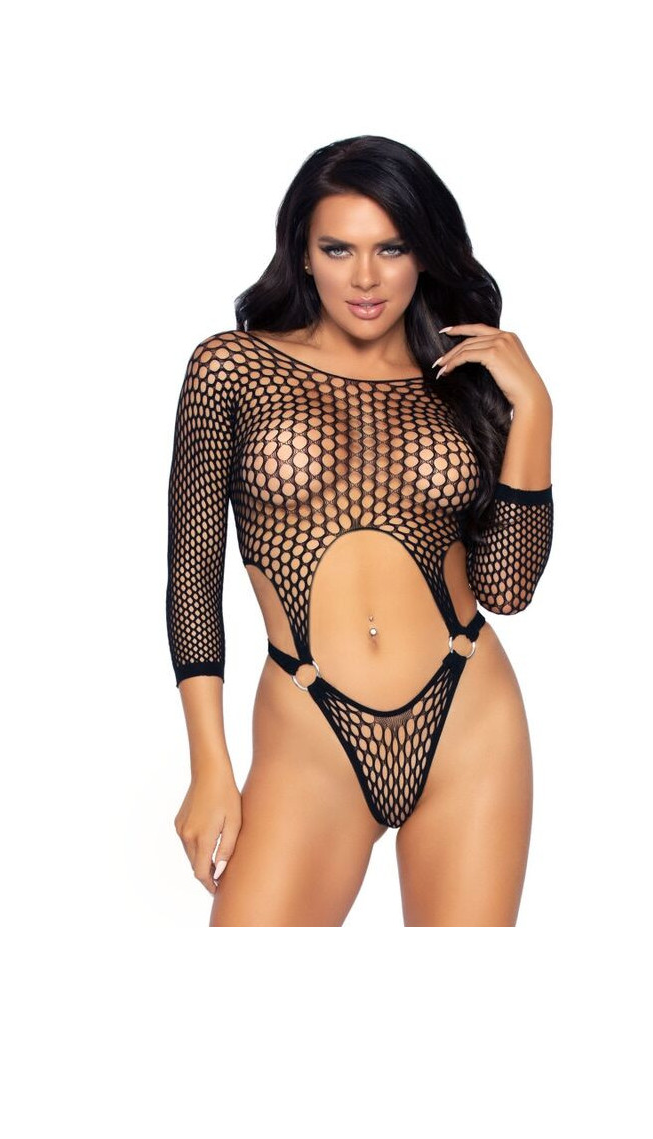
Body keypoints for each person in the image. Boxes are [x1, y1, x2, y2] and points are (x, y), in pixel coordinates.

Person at [166, 134, 554, 926]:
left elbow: (507, 588)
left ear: (424, 254)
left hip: (469, 719)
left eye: (392, 248)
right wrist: (209, 763)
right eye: (338, 249)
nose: (367, 278)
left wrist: (535, 411)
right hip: (308, 729)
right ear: (303, 256)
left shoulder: (460, 381)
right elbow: (192, 576)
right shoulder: (232, 368)